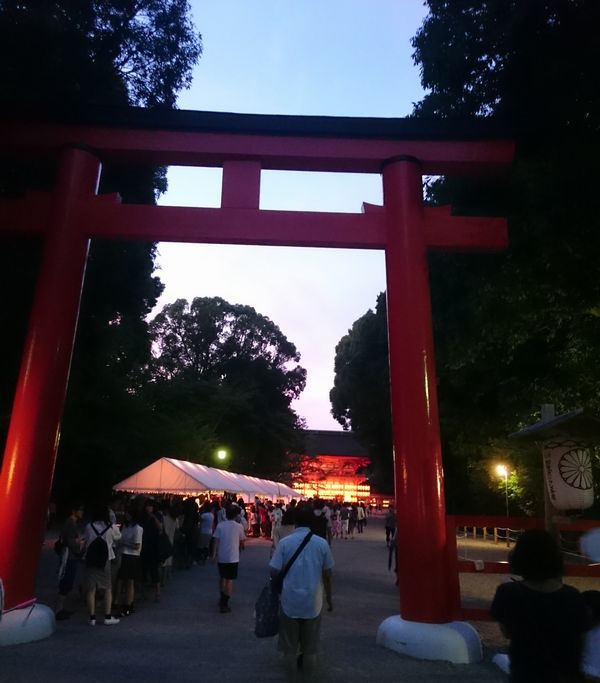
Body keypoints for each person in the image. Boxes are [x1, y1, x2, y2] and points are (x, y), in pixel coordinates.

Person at [490, 529, 591, 683]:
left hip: (525, 672)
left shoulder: (508, 593)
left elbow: (507, 632)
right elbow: (580, 637)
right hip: (563, 675)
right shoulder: (573, 596)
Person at [269, 503, 334, 680]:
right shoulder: (321, 544)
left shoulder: (285, 543)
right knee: (310, 650)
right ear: (312, 522)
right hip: (313, 601)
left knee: (289, 650)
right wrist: (329, 599)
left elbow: (273, 570)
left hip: (289, 600)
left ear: (295, 521)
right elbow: (328, 575)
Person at [83, 503, 122, 626]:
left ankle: (92, 618)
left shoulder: (89, 526)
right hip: (105, 560)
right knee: (107, 588)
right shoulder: (110, 527)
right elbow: (118, 537)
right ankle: (107, 616)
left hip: (91, 559)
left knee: (91, 589)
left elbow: (86, 539)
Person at [211, 504, 245, 613]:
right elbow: (242, 541)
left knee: (222, 578)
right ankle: (225, 602)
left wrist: (213, 554)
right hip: (233, 557)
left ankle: (222, 597)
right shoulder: (239, 526)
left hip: (222, 555)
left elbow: (216, 541)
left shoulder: (221, 525)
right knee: (230, 580)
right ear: (236, 515)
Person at [54, 502, 84, 620]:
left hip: (69, 554)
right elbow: (71, 542)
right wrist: (79, 544)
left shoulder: (70, 523)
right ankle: (59, 608)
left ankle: (60, 608)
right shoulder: (71, 524)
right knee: (67, 581)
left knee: (66, 581)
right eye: (80, 510)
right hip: (70, 555)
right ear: (74, 511)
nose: (82, 513)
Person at [115, 507, 143, 617]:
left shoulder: (137, 528)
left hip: (133, 556)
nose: (126, 516)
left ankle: (129, 604)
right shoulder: (125, 527)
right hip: (124, 554)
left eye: (129, 514)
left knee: (130, 581)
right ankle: (123, 602)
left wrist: (124, 543)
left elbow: (137, 546)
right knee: (122, 580)